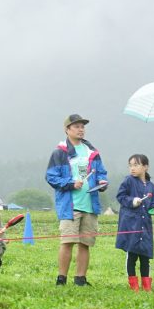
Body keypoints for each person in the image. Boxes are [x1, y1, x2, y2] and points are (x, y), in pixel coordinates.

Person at [45, 114, 109, 287]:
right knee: (67, 242)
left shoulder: (92, 152)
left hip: (90, 203)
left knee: (85, 243)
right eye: (77, 127)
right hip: (69, 204)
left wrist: (102, 182)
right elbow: (51, 177)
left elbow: (101, 172)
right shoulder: (60, 152)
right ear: (67, 130)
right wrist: (71, 183)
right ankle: (61, 278)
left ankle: (80, 278)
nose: (81, 129)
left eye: (82, 126)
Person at [115, 154, 154, 291]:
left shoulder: (152, 187)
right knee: (132, 255)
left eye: (136, 165)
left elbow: (152, 205)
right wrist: (132, 201)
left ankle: (147, 286)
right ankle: (133, 285)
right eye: (130, 165)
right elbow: (120, 196)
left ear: (146, 167)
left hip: (145, 227)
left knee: (145, 257)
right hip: (131, 225)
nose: (132, 168)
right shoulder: (128, 181)